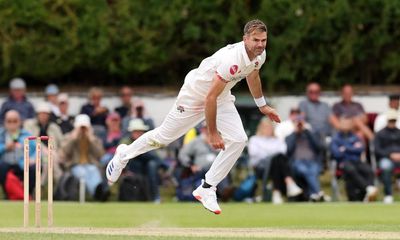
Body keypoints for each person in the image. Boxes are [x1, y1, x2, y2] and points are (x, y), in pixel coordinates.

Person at [106, 19, 281, 214]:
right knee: (163, 138)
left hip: (219, 96)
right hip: (195, 95)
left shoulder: (260, 55)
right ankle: (123, 155)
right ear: (245, 39)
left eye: (264, 40)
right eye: (256, 40)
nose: (260, 44)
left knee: (239, 139)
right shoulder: (232, 60)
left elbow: (253, 75)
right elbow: (209, 98)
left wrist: (262, 106)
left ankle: (207, 188)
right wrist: (213, 133)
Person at [248, 117, 302, 204]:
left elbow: (283, 151)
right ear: (261, 128)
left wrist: (268, 153)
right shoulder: (254, 139)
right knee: (276, 159)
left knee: (278, 159)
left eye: (269, 127)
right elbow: (255, 153)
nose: (268, 129)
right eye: (265, 127)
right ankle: (289, 183)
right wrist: (272, 154)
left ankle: (277, 192)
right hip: (261, 168)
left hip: (276, 166)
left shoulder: (277, 139)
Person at [59, 114, 108, 201]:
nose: (82, 129)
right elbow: (65, 152)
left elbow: (100, 154)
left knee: (93, 170)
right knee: (82, 172)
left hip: (90, 164)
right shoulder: (68, 137)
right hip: (74, 165)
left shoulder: (93, 138)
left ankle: (98, 191)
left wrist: (91, 138)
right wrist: (73, 138)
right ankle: (97, 194)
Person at [330, 117, 378, 202]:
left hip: (356, 161)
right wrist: (352, 147)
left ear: (351, 125)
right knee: (350, 170)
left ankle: (367, 196)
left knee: (368, 170)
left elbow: (360, 149)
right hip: (343, 162)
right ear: (340, 124)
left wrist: (345, 148)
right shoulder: (336, 138)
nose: (346, 125)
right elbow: (336, 154)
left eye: (348, 123)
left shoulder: (355, 136)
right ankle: (368, 189)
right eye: (344, 123)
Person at [121, 119, 167, 203]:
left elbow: (154, 153)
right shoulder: (126, 141)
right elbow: (122, 156)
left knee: (152, 164)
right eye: (136, 131)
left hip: (146, 166)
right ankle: (164, 165)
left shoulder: (147, 141)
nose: (139, 134)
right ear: (132, 132)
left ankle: (155, 196)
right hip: (132, 166)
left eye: (140, 131)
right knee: (150, 160)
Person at [285, 113, 324, 201]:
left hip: (312, 161)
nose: (299, 124)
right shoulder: (290, 136)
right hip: (297, 162)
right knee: (305, 170)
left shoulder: (310, 134)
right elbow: (288, 150)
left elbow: (319, 147)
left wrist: (306, 130)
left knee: (313, 171)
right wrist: (295, 133)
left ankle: (313, 195)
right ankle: (317, 192)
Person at [0, 110, 35, 198]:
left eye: (15, 121)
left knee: (35, 168)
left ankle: (27, 194)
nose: (12, 123)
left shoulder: (27, 135)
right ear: (5, 122)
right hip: (4, 165)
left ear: (19, 122)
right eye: (9, 121)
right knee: (2, 167)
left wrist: (33, 159)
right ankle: (9, 195)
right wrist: (5, 147)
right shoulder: (1, 135)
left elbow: (36, 150)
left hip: (22, 164)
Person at [374, 109, 400, 204]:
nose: (392, 123)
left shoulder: (399, 132)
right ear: (387, 121)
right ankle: (388, 194)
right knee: (385, 166)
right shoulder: (380, 134)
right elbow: (377, 150)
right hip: (386, 158)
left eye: (394, 121)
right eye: (391, 121)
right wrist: (390, 154)